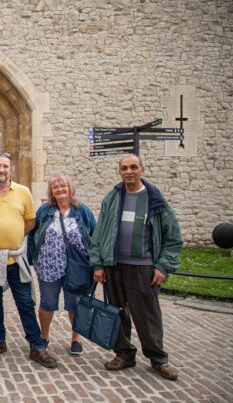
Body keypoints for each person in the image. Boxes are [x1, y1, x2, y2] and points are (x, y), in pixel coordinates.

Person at [91, 154, 183, 381]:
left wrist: (162, 266)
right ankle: (124, 354)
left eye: (133, 167)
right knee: (117, 312)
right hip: (114, 265)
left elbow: (173, 237)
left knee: (147, 316)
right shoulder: (112, 197)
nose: (129, 171)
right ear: (119, 172)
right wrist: (99, 263)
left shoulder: (154, 199)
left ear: (142, 169)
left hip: (143, 268)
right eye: (124, 168)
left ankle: (158, 359)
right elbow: (100, 232)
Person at [0, 152, 57, 368]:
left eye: (5, 167)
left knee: (25, 302)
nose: (1, 170)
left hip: (16, 259)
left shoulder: (23, 192)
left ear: (11, 170)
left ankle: (37, 345)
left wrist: (11, 241)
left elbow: (29, 222)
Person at [27, 173, 96, 355]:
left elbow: (94, 236)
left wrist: (96, 263)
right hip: (48, 265)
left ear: (70, 188)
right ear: (51, 192)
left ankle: (76, 338)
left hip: (77, 267)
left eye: (63, 186)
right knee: (47, 302)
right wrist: (30, 257)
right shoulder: (44, 211)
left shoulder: (82, 211)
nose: (60, 189)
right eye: (55, 187)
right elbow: (33, 235)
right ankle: (44, 336)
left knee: (75, 303)